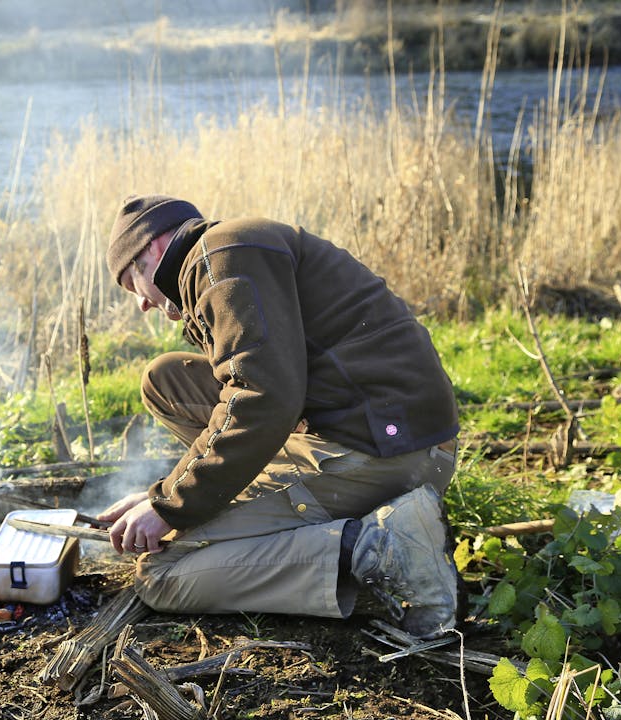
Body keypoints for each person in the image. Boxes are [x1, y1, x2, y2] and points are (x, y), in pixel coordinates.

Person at [96, 194, 461, 639]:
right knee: (165, 379)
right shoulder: (228, 250)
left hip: (388, 451)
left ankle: (379, 548)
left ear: (152, 250)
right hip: (388, 431)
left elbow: (261, 396)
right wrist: (166, 492)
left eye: (131, 282)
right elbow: (257, 389)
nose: (141, 304)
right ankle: (294, 509)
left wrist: (171, 507)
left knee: (164, 572)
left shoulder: (220, 257)